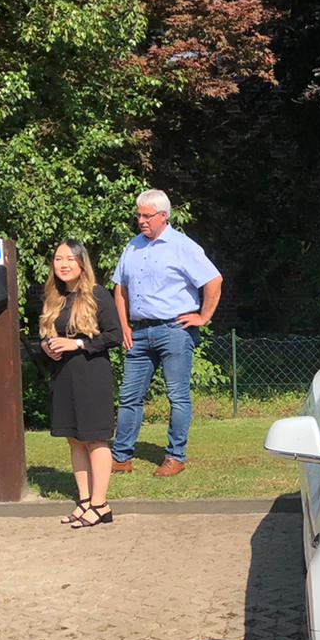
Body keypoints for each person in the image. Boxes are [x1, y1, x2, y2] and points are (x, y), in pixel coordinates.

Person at [109, 189, 222, 477]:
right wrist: (124, 326)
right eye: (138, 215)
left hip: (174, 330)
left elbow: (213, 280)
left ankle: (175, 457)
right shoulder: (132, 246)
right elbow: (120, 288)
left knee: (177, 396)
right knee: (129, 396)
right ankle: (120, 458)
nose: (141, 221)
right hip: (138, 332)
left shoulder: (182, 246)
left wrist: (203, 317)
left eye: (147, 216)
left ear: (163, 216)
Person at [39, 241, 123, 529]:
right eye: (58, 259)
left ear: (81, 263)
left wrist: (76, 344)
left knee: (94, 438)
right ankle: (85, 502)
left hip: (91, 375)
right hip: (64, 376)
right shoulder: (54, 297)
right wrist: (46, 346)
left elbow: (114, 336)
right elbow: (45, 334)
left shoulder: (98, 294)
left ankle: (101, 505)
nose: (63, 264)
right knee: (74, 439)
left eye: (69, 259)